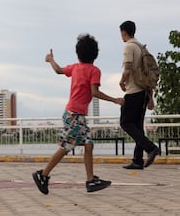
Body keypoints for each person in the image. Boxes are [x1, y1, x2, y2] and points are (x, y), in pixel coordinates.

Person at [32, 34, 124, 195]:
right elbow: (94, 92)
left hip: (73, 114)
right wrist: (115, 100)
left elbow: (58, 70)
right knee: (66, 147)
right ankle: (43, 174)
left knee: (88, 144)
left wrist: (50, 59)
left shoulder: (75, 67)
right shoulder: (94, 71)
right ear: (95, 54)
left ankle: (90, 180)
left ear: (78, 53)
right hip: (75, 115)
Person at [119, 20, 160, 170]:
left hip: (134, 91)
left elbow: (128, 69)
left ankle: (150, 148)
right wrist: (150, 96)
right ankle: (137, 160)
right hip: (143, 92)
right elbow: (147, 72)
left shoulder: (129, 46)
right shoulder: (142, 47)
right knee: (137, 125)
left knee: (125, 122)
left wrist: (121, 81)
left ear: (124, 32)